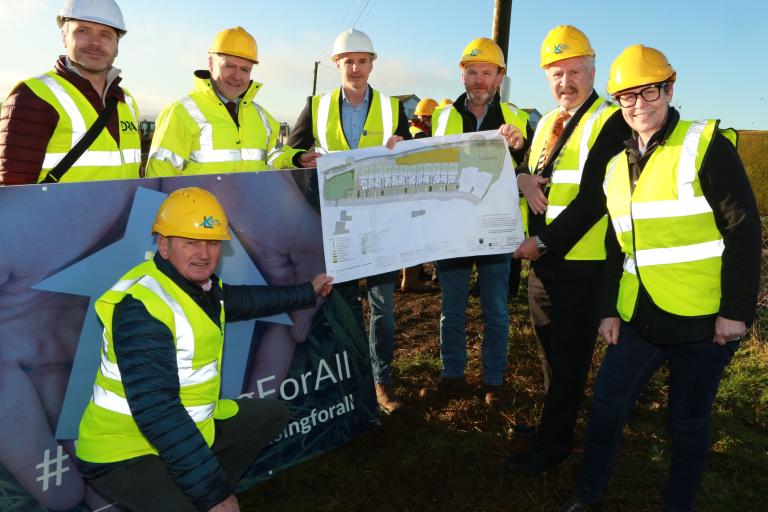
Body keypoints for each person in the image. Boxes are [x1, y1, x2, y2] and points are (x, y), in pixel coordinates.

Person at [559, 45, 760, 512]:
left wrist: (735, 312)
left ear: (669, 89)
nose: (639, 104)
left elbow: (743, 231)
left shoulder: (705, 144)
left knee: (686, 423)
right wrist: (608, 308)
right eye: (627, 96)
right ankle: (586, 496)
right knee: (607, 409)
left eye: (649, 90)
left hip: (703, 321)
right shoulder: (614, 166)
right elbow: (616, 245)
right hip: (637, 318)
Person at [75, 187, 333, 511]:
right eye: (191, 242)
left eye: (212, 242)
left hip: (186, 425)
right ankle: (201, 492)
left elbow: (248, 301)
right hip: (122, 450)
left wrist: (307, 292)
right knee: (203, 498)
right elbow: (158, 411)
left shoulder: (200, 287)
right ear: (164, 245)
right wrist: (215, 495)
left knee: (270, 415)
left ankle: (197, 488)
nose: (204, 254)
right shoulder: (142, 308)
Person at [506, 25, 631, 472]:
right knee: (548, 351)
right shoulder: (544, 123)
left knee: (570, 358)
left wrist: (541, 242)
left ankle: (552, 446)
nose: (565, 82)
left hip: (582, 264)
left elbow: (595, 199)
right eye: (556, 74)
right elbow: (536, 172)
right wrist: (520, 177)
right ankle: (552, 423)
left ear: (593, 69)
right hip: (544, 264)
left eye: (574, 71)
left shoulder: (610, 120)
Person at [286, 28, 411, 414]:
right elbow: (291, 151)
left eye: (362, 61)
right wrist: (301, 158)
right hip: (335, 224)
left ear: (372, 64)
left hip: (379, 222)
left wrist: (403, 149)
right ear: (336, 65)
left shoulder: (392, 107)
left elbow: (410, 157)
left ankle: (380, 381)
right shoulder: (317, 105)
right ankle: (350, 378)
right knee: (342, 304)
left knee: (383, 306)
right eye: (348, 61)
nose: (355, 68)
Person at [419, 37, 532, 407]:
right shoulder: (443, 116)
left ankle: (494, 381)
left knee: (495, 309)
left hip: (495, 229)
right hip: (453, 229)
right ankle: (452, 375)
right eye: (472, 73)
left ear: (500, 77)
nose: (479, 80)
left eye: (487, 72)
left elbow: (532, 167)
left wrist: (519, 148)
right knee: (451, 308)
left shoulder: (518, 118)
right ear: (463, 76)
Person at [0, 0, 140, 185]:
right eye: (83, 31)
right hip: (56, 215)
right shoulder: (33, 96)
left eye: (105, 34)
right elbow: (13, 193)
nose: (95, 43)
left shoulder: (126, 101)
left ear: (116, 45)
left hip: (123, 215)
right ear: (64, 36)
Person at [146, 27, 303, 177]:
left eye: (245, 70)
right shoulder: (180, 112)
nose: (237, 76)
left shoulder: (261, 116)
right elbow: (158, 176)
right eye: (229, 66)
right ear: (211, 63)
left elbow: (273, 154)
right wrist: (149, 206)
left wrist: (297, 158)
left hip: (249, 205)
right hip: (197, 205)